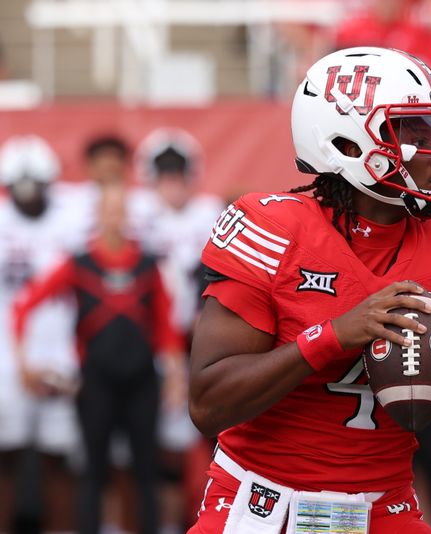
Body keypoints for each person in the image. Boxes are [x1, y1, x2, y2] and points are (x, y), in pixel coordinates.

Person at [187, 46, 431, 534]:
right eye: (413, 131)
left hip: (383, 509)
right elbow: (208, 404)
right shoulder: (272, 228)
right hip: (259, 505)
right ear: (345, 141)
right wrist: (334, 335)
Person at [12, 183, 186, 534]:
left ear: (127, 216)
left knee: (145, 469)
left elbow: (166, 328)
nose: (114, 216)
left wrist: (176, 377)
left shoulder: (149, 265)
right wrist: (24, 364)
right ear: (98, 215)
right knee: (93, 468)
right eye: (108, 209)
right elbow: (24, 305)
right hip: (96, 381)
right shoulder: (79, 263)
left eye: (120, 209)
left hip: (142, 381)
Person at [134, 127, 223, 532]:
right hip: (144, 340)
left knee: (204, 432)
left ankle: (202, 517)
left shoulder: (211, 214)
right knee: (150, 437)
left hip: (198, 339)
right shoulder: (137, 213)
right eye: (164, 174)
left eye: (178, 173)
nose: (172, 183)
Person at [0, 135, 81, 533]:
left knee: (60, 456)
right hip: (7, 357)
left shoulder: (74, 215)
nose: (28, 195)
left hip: (62, 353)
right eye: (19, 187)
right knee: (6, 455)